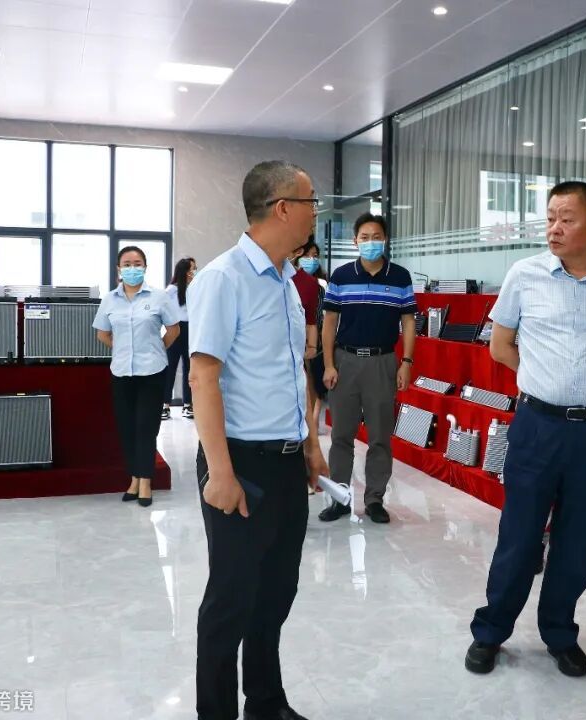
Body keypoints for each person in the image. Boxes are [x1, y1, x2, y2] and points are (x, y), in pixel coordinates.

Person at [465, 181, 586, 678]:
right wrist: (544, 380)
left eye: (567, 218)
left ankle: (560, 633)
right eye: (550, 218)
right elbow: (500, 345)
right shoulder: (524, 274)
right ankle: (490, 631)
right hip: (537, 426)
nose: (554, 229)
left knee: (579, 539)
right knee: (519, 535)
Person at [187, 160, 317, 720]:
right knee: (231, 600)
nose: (316, 213)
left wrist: (309, 444)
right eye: (311, 202)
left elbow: (290, 369)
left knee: (276, 592)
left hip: (285, 461)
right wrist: (220, 472)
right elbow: (203, 376)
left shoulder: (287, 281)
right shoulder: (224, 278)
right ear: (283, 208)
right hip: (239, 462)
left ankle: (265, 702)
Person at [319, 212, 417, 524]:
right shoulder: (341, 276)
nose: (370, 242)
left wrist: (406, 362)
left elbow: (408, 322)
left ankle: (375, 499)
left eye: (376, 237)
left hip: (382, 363)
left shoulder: (399, 277)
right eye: (365, 237)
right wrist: (328, 364)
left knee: (380, 437)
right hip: (345, 362)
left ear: (385, 240)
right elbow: (329, 323)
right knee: (341, 436)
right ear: (355, 241)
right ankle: (340, 499)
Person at [92, 246, 180, 508]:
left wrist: (156, 349)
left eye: (137, 263)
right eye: (127, 264)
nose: (132, 268)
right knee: (127, 427)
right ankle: (134, 478)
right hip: (122, 372)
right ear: (119, 269)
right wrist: (122, 349)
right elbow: (102, 334)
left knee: (146, 426)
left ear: (145, 267)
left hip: (152, 371)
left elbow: (174, 330)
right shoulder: (110, 299)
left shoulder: (159, 297)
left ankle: (145, 481)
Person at [289, 237, 330, 493]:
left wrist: (313, 348)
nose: (310, 259)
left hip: (304, 352)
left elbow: (314, 320)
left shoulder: (312, 284)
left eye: (314, 255)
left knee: (308, 394)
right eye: (307, 254)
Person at [163, 256, 197, 421]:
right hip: (175, 329)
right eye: (192, 269)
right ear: (184, 271)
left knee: (189, 369)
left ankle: (187, 405)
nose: (194, 272)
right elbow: (162, 309)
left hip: (191, 330)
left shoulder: (194, 288)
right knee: (170, 368)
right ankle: (165, 405)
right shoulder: (171, 290)